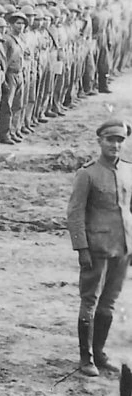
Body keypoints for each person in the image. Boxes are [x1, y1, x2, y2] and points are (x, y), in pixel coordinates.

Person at [67, 119, 132, 377]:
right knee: (90, 301)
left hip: (122, 248)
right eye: (110, 140)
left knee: (109, 303)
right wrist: (81, 248)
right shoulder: (88, 174)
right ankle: (87, 358)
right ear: (100, 141)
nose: (115, 145)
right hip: (97, 249)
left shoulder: (128, 171)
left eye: (120, 140)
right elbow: (75, 213)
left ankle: (100, 352)